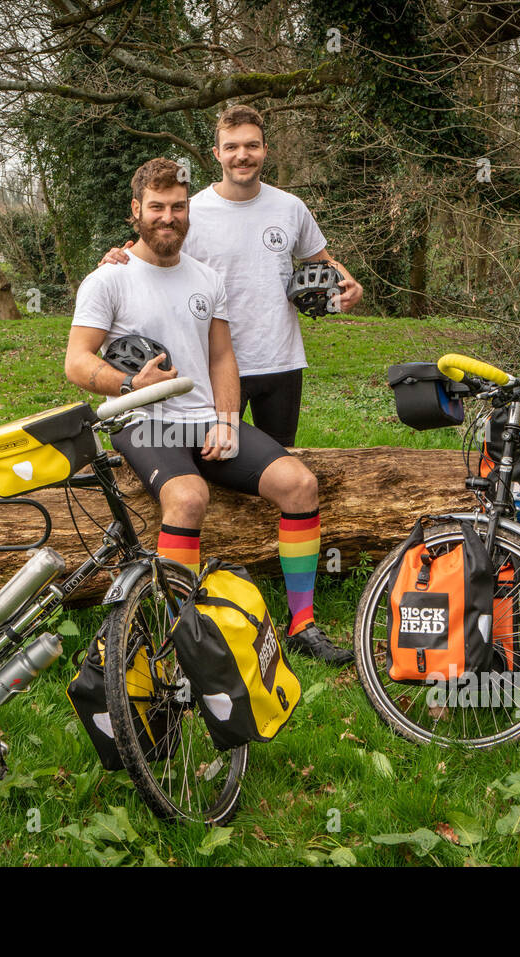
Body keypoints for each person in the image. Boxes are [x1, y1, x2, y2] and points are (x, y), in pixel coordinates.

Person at [65, 157, 352, 665]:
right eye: (157, 206)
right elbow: (76, 362)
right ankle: (182, 634)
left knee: (300, 484)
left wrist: (224, 419)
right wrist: (131, 382)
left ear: (187, 211)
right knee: (190, 497)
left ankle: (302, 622)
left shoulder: (205, 278)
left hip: (203, 421)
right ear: (136, 210)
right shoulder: (108, 280)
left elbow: (222, 357)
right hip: (141, 420)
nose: (168, 216)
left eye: (177, 206)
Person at [100, 104, 363, 449]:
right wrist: (115, 258)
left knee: (282, 457)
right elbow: (151, 256)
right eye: (232, 147)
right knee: (218, 458)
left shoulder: (290, 207)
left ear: (265, 150)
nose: (243, 155)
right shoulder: (191, 211)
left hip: (279, 359)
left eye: (252, 146)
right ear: (217, 154)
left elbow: (324, 261)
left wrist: (350, 284)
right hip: (214, 363)